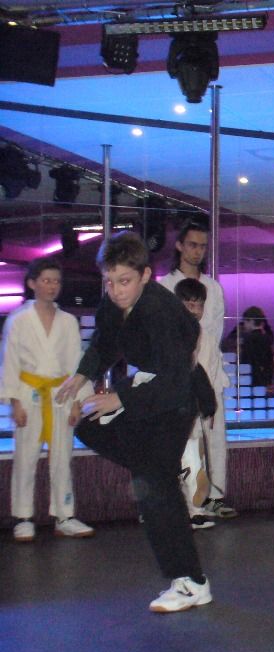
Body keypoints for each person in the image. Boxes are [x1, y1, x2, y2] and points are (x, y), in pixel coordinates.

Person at [56, 231, 212, 613]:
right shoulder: (114, 303)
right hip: (146, 385)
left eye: (124, 281)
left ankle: (191, 582)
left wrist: (120, 397)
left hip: (176, 396)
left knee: (155, 488)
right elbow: (104, 343)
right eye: (109, 282)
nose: (116, 290)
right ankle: (173, 467)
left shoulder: (159, 311)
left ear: (145, 275)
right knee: (90, 426)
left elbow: (174, 379)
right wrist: (82, 375)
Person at [1, 258, 94, 542]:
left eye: (56, 281)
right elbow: (10, 362)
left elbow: (76, 362)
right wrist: (14, 401)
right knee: (25, 457)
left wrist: (77, 401)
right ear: (32, 283)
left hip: (60, 393)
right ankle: (23, 517)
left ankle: (64, 515)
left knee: (63, 457)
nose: (52, 286)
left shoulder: (68, 321)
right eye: (46, 280)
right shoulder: (18, 320)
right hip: (29, 393)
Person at [159, 219, 234, 519]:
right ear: (179, 245)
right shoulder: (164, 287)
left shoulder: (213, 288)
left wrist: (208, 371)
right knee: (181, 440)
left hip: (210, 370)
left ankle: (214, 496)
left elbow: (215, 335)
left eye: (203, 246)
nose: (197, 251)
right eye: (192, 244)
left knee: (214, 438)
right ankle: (180, 500)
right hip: (177, 375)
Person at [174, 277, 233, 529]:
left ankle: (195, 511)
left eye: (198, 305)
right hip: (171, 410)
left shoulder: (206, 339)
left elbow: (210, 376)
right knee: (171, 464)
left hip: (194, 411)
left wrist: (209, 407)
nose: (194, 310)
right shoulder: (167, 335)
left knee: (194, 463)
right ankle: (170, 513)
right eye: (188, 304)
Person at [241, 306, 274, 389]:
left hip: (251, 378)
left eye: (245, 321)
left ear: (251, 321)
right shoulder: (266, 337)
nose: (244, 325)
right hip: (264, 378)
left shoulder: (249, 339)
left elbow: (247, 360)